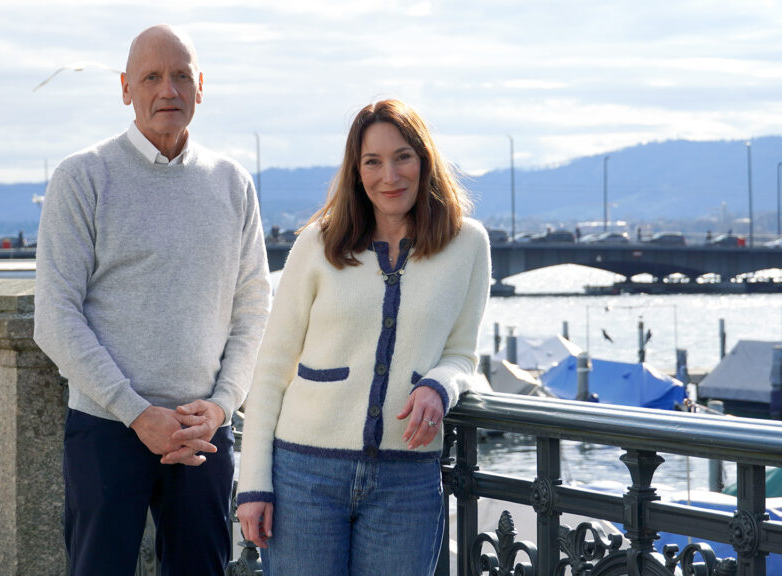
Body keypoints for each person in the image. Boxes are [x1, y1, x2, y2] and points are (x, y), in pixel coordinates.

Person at [33, 24, 271, 576]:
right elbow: (55, 316)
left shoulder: (233, 183)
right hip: (107, 427)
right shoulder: (82, 177)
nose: (168, 90)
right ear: (125, 89)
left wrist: (221, 405)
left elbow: (254, 307)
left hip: (202, 432)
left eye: (181, 76)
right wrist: (136, 413)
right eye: (152, 77)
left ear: (200, 86)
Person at [236, 99, 490, 576]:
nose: (388, 176)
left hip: (406, 480)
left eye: (402, 157)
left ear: (425, 161)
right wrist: (254, 486)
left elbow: (462, 355)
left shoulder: (467, 244)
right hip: (304, 476)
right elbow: (270, 369)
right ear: (356, 171)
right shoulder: (318, 243)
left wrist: (440, 385)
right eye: (372, 162)